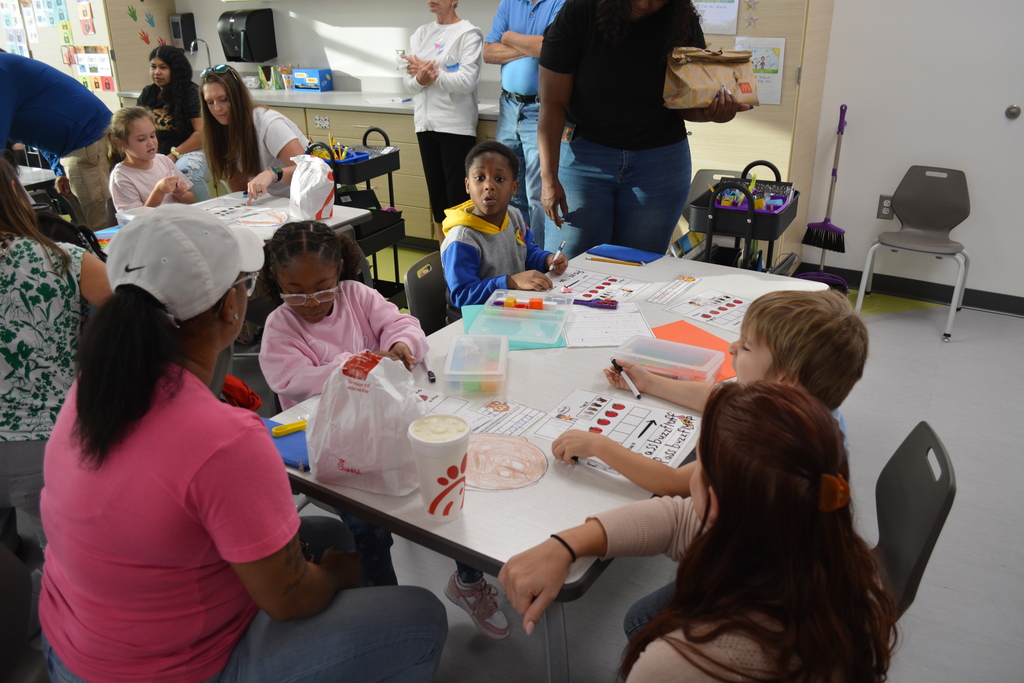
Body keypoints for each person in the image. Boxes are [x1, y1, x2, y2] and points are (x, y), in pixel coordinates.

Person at [39, 204, 448, 682]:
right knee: (420, 616)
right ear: (233, 305)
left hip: (72, 644)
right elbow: (290, 598)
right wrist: (340, 574)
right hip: (167, 670)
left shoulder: (93, 386)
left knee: (329, 533)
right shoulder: (227, 440)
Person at [500, 382, 899, 681]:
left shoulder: (676, 664)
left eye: (698, 468)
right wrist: (569, 543)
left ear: (716, 506)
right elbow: (677, 519)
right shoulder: (820, 546)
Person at [552, 288, 868, 639]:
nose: (732, 348)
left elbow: (672, 483)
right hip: (810, 565)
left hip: (758, 587)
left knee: (640, 623)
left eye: (746, 347)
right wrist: (650, 382)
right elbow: (723, 396)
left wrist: (600, 445)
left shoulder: (764, 450)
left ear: (784, 379)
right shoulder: (812, 410)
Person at [258, 220, 511, 639]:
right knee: (367, 527)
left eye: (323, 287)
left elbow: (404, 325)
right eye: (295, 291)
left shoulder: (357, 297)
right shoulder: (281, 326)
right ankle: (385, 609)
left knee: (443, 485)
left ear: (339, 269)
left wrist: (399, 348)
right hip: (333, 441)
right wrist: (359, 365)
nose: (311, 302)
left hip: (389, 424)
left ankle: (468, 581)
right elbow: (292, 381)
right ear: (276, 282)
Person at [537, 0, 752, 257]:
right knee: (567, 267)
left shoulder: (680, 19)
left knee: (638, 269)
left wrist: (713, 113)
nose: (644, 3)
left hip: (659, 164)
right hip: (585, 160)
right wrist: (549, 179)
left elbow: (684, 104)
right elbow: (552, 103)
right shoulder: (582, 10)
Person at [0, 159, 111, 557]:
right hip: (45, 438)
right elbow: (136, 321)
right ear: (16, 194)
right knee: (71, 562)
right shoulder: (63, 259)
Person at [441, 141, 567, 321]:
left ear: (514, 187)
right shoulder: (462, 239)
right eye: (479, 178)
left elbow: (526, 253)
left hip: (510, 311)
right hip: (474, 322)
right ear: (468, 185)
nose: (488, 186)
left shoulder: (514, 216)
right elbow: (463, 296)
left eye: (499, 179)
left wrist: (546, 260)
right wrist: (510, 282)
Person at [483, 0, 567, 246]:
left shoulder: (560, 3)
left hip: (541, 109)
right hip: (508, 107)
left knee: (538, 194)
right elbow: (488, 53)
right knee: (507, 188)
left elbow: (551, 47)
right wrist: (532, 45)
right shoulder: (509, 3)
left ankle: (538, 258)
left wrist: (508, 37)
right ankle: (514, 252)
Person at [0, 51, 112, 230]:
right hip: (73, 144)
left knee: (100, 226)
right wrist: (58, 168)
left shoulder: (2, 70)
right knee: (86, 225)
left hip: (87, 140)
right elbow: (42, 124)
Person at [402, 0, 484, 238]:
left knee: (458, 201)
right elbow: (408, 82)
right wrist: (420, 80)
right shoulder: (421, 33)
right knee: (438, 202)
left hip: (455, 127)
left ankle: (462, 258)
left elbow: (467, 81)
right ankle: (445, 259)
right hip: (425, 125)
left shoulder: (468, 33)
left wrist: (431, 74)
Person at [200, 64, 309, 202]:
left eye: (224, 100)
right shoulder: (220, 130)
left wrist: (273, 174)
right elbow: (240, 189)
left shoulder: (269, 123)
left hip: (302, 199)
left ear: (238, 98)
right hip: (271, 202)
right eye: (210, 102)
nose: (217, 109)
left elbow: (308, 170)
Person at [137, 45, 212, 201]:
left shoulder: (191, 93)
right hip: (159, 153)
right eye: (153, 67)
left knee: (186, 170)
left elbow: (201, 134)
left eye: (163, 67)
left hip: (193, 150)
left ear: (175, 70)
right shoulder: (148, 93)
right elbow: (136, 128)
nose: (156, 72)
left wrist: (174, 155)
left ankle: (205, 216)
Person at [106, 106, 195, 212]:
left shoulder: (163, 160)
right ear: (121, 143)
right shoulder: (121, 177)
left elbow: (191, 201)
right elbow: (136, 220)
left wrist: (181, 194)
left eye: (152, 136)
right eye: (141, 139)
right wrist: (159, 192)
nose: (150, 143)